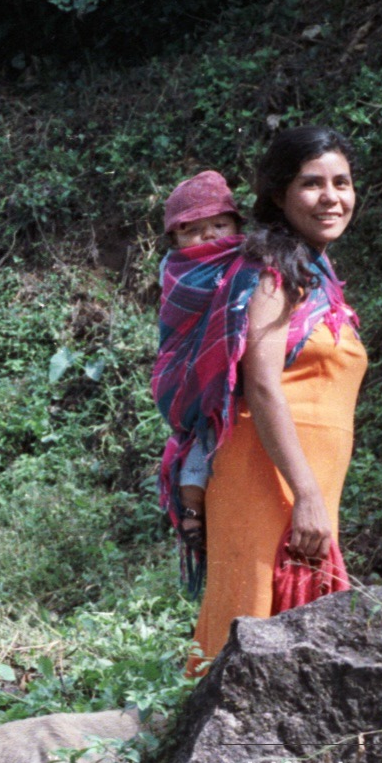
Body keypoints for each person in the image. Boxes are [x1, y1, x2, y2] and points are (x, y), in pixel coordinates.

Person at [189, 127, 365, 674]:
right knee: (249, 622)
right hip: (265, 477)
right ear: (279, 195)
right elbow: (261, 382)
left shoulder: (313, 272)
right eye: (312, 184)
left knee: (295, 633)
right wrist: (306, 492)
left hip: (301, 479)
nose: (331, 197)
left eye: (342, 182)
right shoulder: (271, 269)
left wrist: (314, 493)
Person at [151, 171, 244, 595]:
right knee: (203, 433)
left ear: (238, 227)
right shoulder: (176, 270)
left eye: (219, 226)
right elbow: (179, 315)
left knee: (207, 437)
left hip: (228, 377)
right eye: (192, 231)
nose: (208, 238)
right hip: (188, 370)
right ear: (175, 240)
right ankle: (191, 507)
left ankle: (192, 507)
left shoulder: (248, 262)